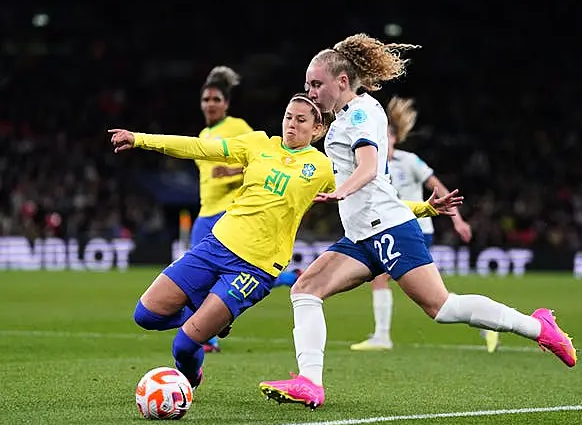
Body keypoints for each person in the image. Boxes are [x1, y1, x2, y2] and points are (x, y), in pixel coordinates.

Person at [259, 34, 577, 410]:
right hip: (362, 235)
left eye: (316, 83)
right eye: (308, 84)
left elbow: (369, 166)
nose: (309, 91)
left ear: (341, 82)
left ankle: (539, 327)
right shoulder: (347, 115)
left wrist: (342, 192)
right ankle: (310, 383)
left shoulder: (359, 114)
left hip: (387, 228)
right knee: (305, 290)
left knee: (442, 308)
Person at [108, 93, 459, 390]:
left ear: (318, 129)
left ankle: (187, 379)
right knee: (146, 315)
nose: (291, 124)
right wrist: (139, 138)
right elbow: (199, 147)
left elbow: (371, 198)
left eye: (302, 120)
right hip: (215, 246)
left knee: (184, 344)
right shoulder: (258, 144)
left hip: (254, 267)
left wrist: (426, 208)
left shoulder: (322, 168)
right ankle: (212, 320)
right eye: (289, 117)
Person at [349, 96, 499, 354]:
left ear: (394, 138)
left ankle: (383, 337)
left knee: (383, 278)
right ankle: (486, 321)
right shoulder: (372, 165)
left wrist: (458, 220)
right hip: (390, 227)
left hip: (415, 228)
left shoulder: (410, 161)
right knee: (429, 293)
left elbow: (437, 186)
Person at [192, 66, 253, 353]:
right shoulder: (204, 134)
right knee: (200, 273)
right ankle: (291, 278)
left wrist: (230, 171)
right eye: (206, 100)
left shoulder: (238, 127)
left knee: (224, 271)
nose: (210, 104)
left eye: (216, 99)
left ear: (226, 103)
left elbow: (260, 161)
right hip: (205, 212)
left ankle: (208, 337)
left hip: (228, 210)